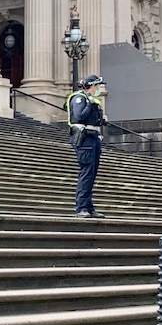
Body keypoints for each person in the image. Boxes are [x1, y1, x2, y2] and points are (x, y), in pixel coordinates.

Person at [67, 74, 107, 218]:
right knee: (86, 173)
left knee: (92, 174)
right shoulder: (79, 98)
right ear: (91, 85)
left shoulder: (91, 100)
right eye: (97, 86)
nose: (98, 89)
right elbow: (79, 116)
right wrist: (90, 105)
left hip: (94, 138)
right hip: (84, 139)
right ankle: (81, 207)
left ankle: (89, 207)